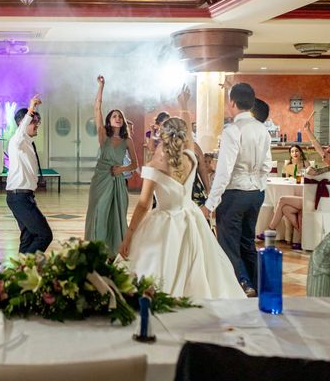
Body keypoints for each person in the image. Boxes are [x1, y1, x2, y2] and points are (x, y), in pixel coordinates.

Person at [118, 117, 245, 299]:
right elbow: (190, 142)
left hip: (165, 221)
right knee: (199, 266)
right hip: (191, 216)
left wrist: (129, 235)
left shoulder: (155, 166)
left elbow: (143, 204)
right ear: (185, 136)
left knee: (155, 269)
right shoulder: (191, 157)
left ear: (161, 136)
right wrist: (184, 105)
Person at [201, 83, 272, 297]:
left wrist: (210, 204)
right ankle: (258, 288)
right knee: (248, 242)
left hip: (234, 194)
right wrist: (258, 186)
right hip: (255, 193)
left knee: (228, 244)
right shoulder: (262, 129)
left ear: (232, 103)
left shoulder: (233, 130)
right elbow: (267, 165)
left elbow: (223, 172)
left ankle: (241, 285)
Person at [85, 76, 138, 254]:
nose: (118, 118)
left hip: (117, 180)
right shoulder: (103, 135)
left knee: (117, 214)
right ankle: (97, 250)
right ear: (109, 121)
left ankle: (114, 251)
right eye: (114, 116)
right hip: (101, 179)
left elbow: (135, 164)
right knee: (99, 212)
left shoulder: (127, 140)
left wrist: (121, 169)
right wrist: (101, 86)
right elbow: (97, 107)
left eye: (120, 117)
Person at [6, 94, 52, 254]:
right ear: (22, 123)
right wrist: (31, 108)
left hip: (23, 196)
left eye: (37, 122)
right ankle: (27, 265)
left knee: (29, 237)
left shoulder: (26, 143)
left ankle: (20, 272)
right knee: (44, 235)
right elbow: (22, 128)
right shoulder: (17, 140)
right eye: (34, 122)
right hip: (19, 197)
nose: (37, 125)